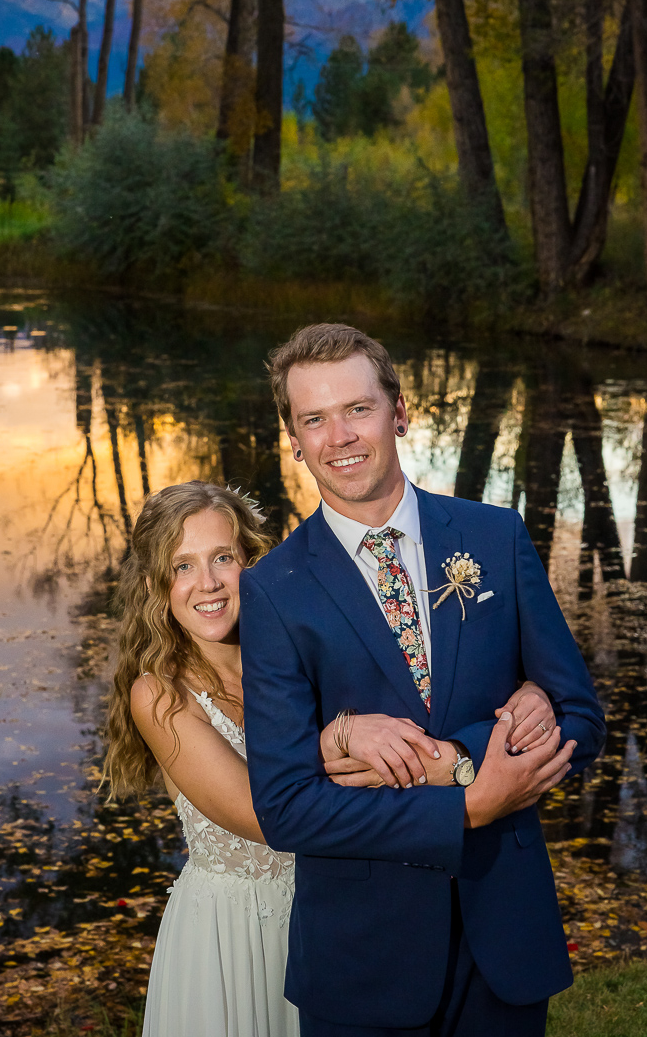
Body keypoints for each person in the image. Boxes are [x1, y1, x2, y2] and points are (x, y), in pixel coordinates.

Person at [239, 323, 607, 1037]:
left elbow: (578, 717)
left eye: (357, 409)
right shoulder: (274, 590)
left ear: (398, 412)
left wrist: (463, 756)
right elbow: (285, 806)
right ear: (292, 437)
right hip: (361, 959)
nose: (339, 436)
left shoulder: (494, 537)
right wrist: (465, 804)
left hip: (504, 936)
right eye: (313, 419)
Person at [102, 480, 557, 1037]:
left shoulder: (297, 640)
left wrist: (529, 690)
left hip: (347, 911)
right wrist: (333, 739)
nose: (209, 584)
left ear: (251, 560)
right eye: (182, 567)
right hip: (237, 929)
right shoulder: (160, 695)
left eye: (223, 557)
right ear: (156, 585)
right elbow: (268, 813)